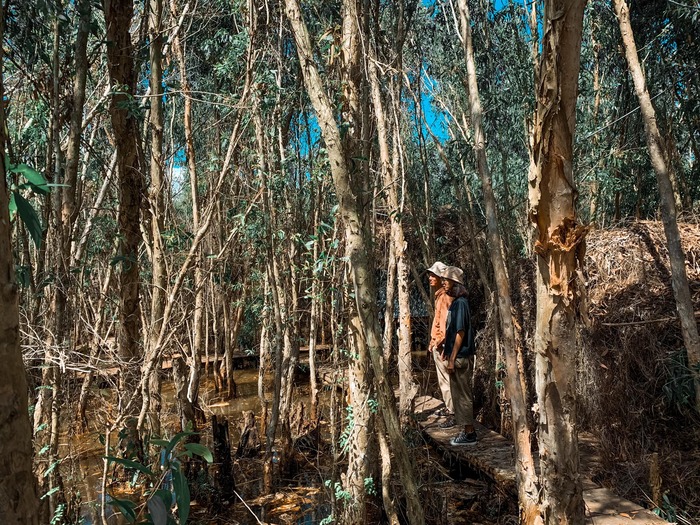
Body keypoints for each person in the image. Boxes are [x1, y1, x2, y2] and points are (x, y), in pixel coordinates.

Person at [441, 265, 477, 446]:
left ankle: (470, 433)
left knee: (463, 395)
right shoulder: (456, 303)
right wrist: (446, 354)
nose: (443, 283)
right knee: (458, 394)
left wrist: (453, 358)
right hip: (455, 356)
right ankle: (466, 430)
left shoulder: (461, 304)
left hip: (461, 357)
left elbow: (460, 332)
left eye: (446, 280)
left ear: (455, 283)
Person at [426, 261, 456, 429]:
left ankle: (452, 413)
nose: (430, 278)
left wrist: (437, 342)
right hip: (440, 344)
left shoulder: (444, 297)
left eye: (433, 275)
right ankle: (449, 408)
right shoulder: (439, 296)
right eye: (430, 275)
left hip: (442, 346)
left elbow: (445, 325)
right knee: (445, 380)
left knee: (447, 381)